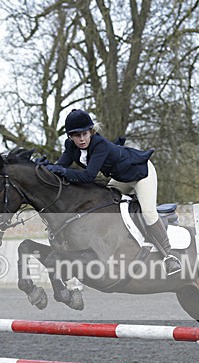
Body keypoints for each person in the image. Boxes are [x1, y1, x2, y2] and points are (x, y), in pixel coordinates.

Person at [45, 109, 182, 275]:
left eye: (84, 134)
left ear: (91, 131)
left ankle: (170, 256)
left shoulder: (99, 144)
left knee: (148, 211)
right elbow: (61, 166)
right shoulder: (70, 147)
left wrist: (62, 171)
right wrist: (44, 169)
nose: (81, 139)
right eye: (76, 135)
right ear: (70, 137)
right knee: (105, 201)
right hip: (122, 178)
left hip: (141, 173)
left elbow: (88, 176)